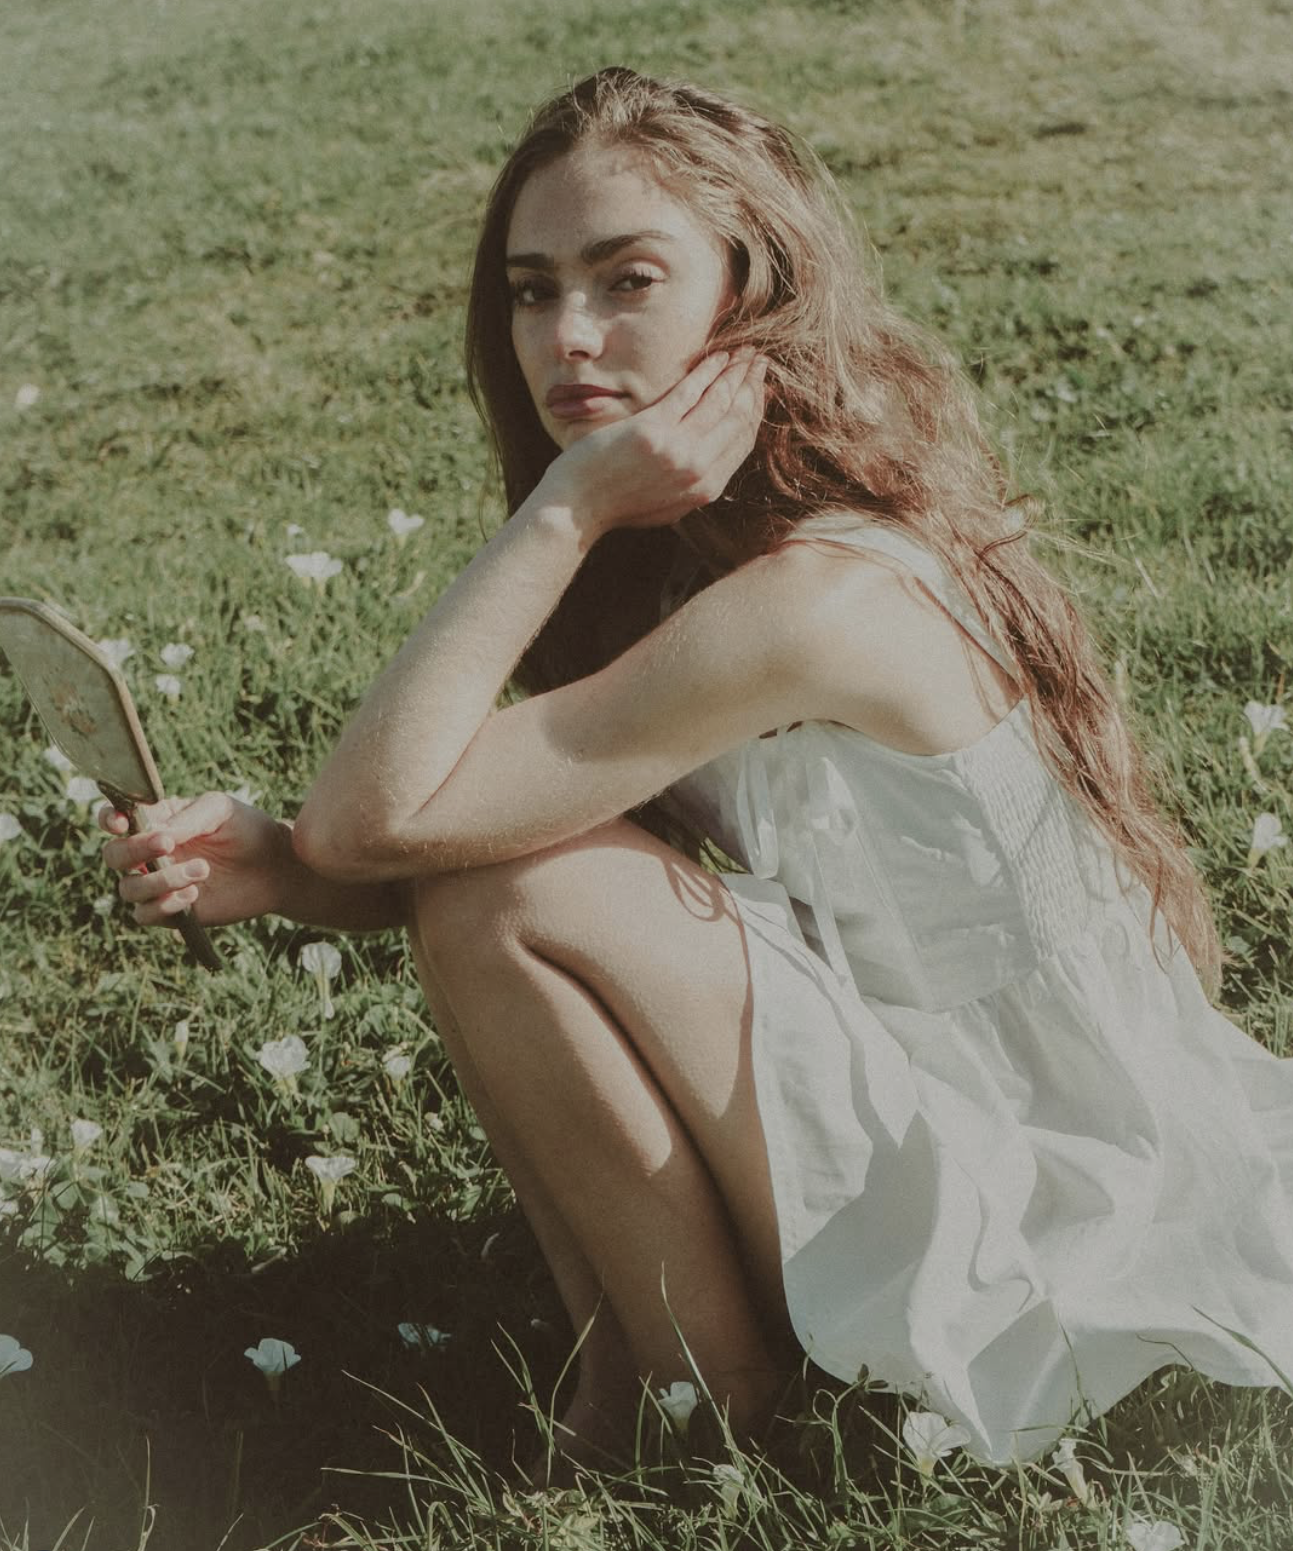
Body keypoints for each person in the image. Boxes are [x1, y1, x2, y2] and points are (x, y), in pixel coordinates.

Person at [99, 67, 1293, 1475]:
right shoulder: (706, 555)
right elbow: (443, 848)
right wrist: (281, 864)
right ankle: (648, 1366)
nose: (569, 336)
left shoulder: (817, 596)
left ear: (752, 295)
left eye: (629, 279)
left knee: (500, 889)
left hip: (1038, 1185)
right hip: (922, 1072)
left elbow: (392, 824)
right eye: (533, 290)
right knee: (490, 886)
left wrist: (565, 509)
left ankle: (697, 1396)